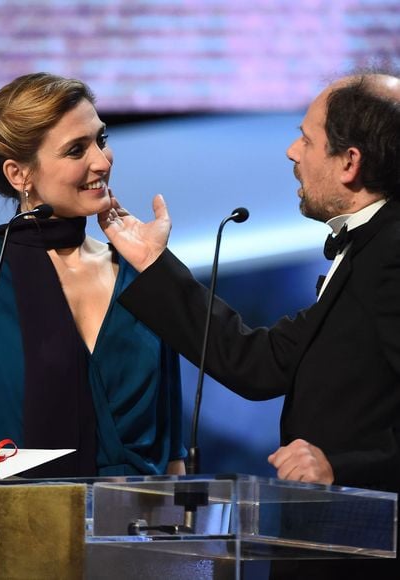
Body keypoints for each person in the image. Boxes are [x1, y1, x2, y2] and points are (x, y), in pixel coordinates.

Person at [99, 72, 400, 579]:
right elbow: (261, 365)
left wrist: (343, 468)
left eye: (307, 139)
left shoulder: (392, 252)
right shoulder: (370, 249)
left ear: (350, 163)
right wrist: (155, 264)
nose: (291, 151)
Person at [0, 72, 186, 482]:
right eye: (76, 150)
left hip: (133, 536)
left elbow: (171, 457)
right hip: (11, 533)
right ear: (19, 175)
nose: (101, 160)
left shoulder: (140, 276)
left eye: (101, 139)